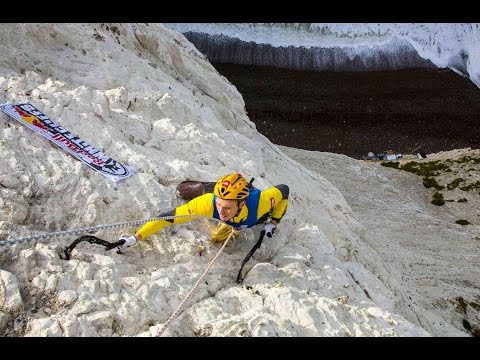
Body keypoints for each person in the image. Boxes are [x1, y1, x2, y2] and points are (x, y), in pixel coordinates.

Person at [118, 173, 289, 251]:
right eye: (220, 205)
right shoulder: (209, 203)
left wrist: (273, 223)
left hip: (252, 216)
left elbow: (284, 190)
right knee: (183, 190)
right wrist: (136, 237)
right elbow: (167, 218)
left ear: (242, 203)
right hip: (213, 196)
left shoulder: (261, 203)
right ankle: (207, 186)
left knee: (217, 238)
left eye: (227, 207)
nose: (221, 212)